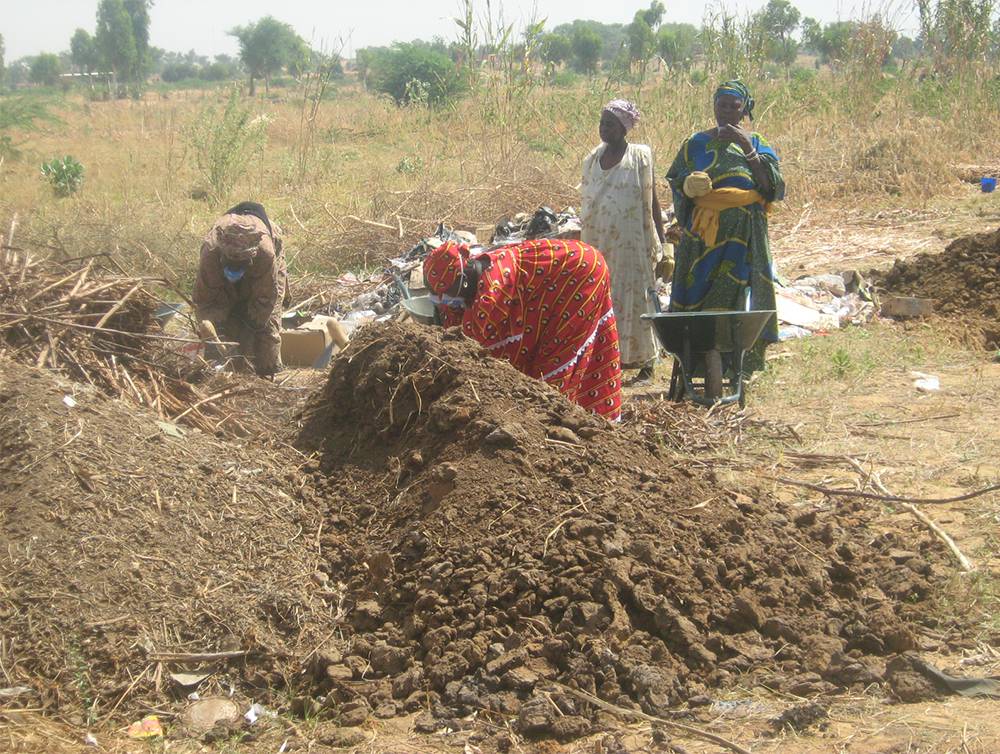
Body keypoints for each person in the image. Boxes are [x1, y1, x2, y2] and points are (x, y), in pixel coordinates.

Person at [423, 238, 623, 421]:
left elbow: (483, 352)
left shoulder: (493, 290)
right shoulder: (466, 272)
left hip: (578, 274)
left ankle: (556, 422)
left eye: (445, 295)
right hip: (553, 279)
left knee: (554, 363)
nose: (445, 302)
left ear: (463, 282)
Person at [665, 80, 784, 378]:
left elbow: (773, 187)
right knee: (698, 290)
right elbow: (676, 180)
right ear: (714, 106)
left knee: (738, 296)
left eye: (735, 106)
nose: (728, 111)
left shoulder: (756, 142)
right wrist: (687, 185)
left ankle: (738, 364)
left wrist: (746, 147)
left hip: (745, 234)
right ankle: (695, 360)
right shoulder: (694, 143)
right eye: (722, 105)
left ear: (744, 110)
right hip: (704, 235)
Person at [581, 99, 666, 386]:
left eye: (610, 124)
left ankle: (647, 364)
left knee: (638, 298)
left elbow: (652, 200)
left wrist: (663, 242)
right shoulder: (593, 158)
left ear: (624, 128)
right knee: (604, 300)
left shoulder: (640, 157)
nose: (603, 129)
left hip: (632, 245)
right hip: (600, 242)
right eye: (602, 122)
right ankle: (610, 361)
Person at [193, 202, 290, 378]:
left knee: (268, 329)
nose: (234, 270)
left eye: (240, 266)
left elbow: (266, 298)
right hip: (219, 265)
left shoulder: (265, 254)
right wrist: (217, 335)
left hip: (267, 252)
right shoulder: (211, 252)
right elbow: (205, 301)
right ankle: (217, 371)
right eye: (231, 265)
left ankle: (269, 374)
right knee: (221, 321)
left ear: (250, 260)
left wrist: (250, 328)